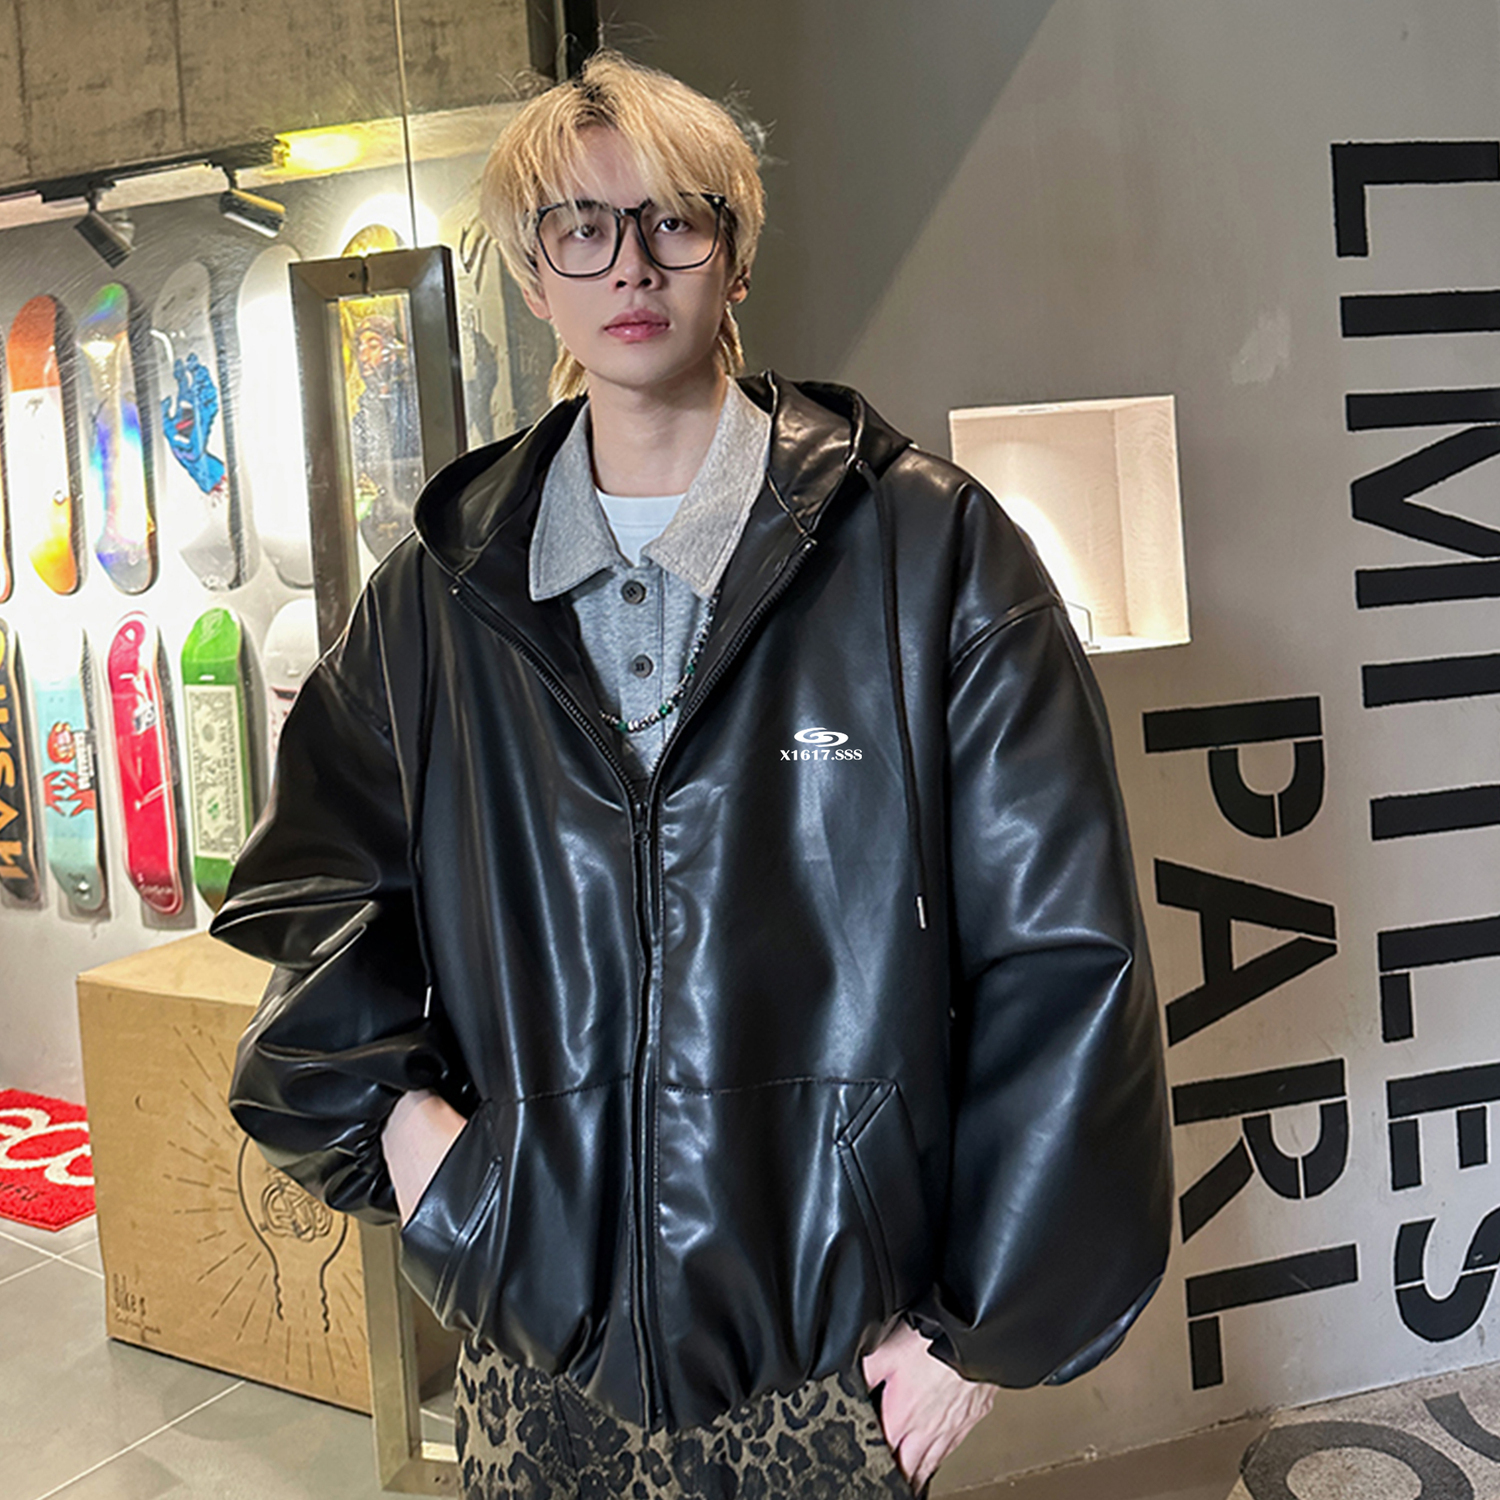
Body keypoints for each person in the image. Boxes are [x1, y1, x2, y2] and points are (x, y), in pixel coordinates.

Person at [213, 51, 1172, 1499]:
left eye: (674, 218)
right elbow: (318, 898)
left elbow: (1065, 951)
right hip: (531, 1365)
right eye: (580, 227)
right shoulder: (443, 595)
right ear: (532, 276)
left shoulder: (926, 552)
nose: (630, 263)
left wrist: (978, 1332)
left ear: (735, 252)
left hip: (826, 1367)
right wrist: (421, 1144)